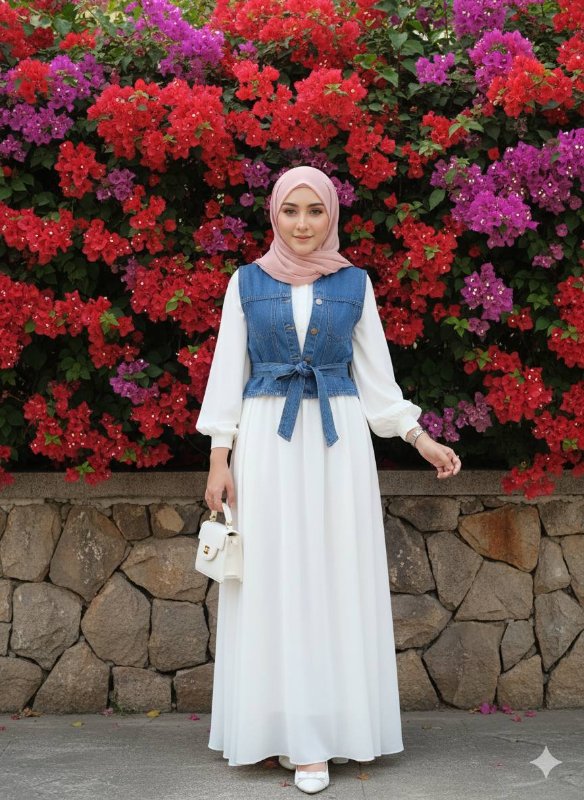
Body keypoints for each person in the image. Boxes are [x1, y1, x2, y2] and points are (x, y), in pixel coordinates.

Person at [195, 165, 461, 795]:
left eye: (316, 211)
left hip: (338, 447)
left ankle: (319, 737)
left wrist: (420, 438)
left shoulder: (355, 285)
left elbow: (378, 382)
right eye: (292, 211)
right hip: (266, 445)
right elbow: (227, 371)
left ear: (332, 215)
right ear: (274, 215)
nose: (304, 224)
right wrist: (219, 456)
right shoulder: (246, 283)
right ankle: (270, 727)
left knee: (331, 576)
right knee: (273, 580)